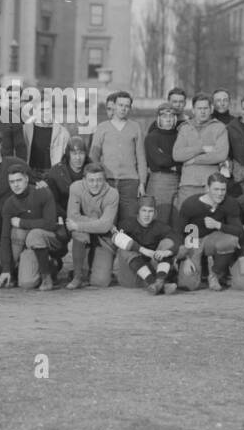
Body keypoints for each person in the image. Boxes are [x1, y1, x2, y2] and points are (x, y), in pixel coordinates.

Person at [0, 164, 65, 290]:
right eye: (12, 182)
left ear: (26, 179)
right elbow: (5, 237)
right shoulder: (9, 204)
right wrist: (6, 270)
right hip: (26, 246)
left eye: (19, 180)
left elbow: (50, 224)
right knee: (26, 283)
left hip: (48, 238)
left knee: (34, 234)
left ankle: (48, 273)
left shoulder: (42, 193)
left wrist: (22, 223)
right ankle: (15, 272)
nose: (16, 185)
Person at [176, 173, 244, 291]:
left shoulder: (230, 203)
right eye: (216, 189)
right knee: (189, 285)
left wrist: (218, 225)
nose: (220, 193)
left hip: (213, 237)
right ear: (207, 188)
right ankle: (178, 272)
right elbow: (177, 232)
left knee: (231, 240)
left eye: (223, 189)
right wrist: (185, 257)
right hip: (193, 239)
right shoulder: (190, 204)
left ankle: (215, 274)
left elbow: (238, 230)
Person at [89, 90, 147, 222]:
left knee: (129, 218)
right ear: (114, 106)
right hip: (108, 181)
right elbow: (94, 156)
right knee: (108, 218)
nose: (123, 109)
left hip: (130, 182)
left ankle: (127, 243)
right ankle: (107, 243)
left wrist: (142, 182)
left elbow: (141, 157)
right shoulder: (102, 127)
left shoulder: (135, 127)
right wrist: (98, 178)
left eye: (127, 106)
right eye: (120, 105)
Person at [65, 162, 120, 289]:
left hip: (104, 237)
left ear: (105, 180)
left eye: (99, 180)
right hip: (85, 235)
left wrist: (79, 225)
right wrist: (98, 221)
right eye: (91, 180)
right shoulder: (75, 188)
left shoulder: (112, 193)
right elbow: (72, 217)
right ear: (84, 180)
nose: (95, 184)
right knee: (78, 232)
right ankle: (77, 276)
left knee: (101, 281)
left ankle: (93, 268)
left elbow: (105, 226)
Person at [112, 194, 181, 295]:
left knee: (168, 242)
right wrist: (143, 250)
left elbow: (177, 240)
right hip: (130, 276)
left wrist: (167, 252)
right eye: (144, 210)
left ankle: (157, 283)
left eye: (150, 211)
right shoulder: (127, 224)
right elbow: (116, 238)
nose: (147, 215)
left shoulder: (159, 226)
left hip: (149, 270)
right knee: (125, 247)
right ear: (138, 211)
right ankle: (158, 285)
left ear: (155, 213)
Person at [172, 93, 230, 208]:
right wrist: (202, 149)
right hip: (188, 183)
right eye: (199, 108)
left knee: (209, 219)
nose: (202, 111)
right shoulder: (185, 128)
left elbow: (220, 155)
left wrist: (193, 160)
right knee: (185, 220)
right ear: (193, 110)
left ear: (211, 109)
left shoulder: (219, 127)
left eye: (205, 108)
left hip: (211, 184)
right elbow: (177, 155)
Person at [20, 85, 72, 172]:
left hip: (53, 176)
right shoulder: (25, 130)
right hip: (31, 174)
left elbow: (67, 159)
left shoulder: (63, 133)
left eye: (49, 109)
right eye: (42, 109)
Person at [144, 103, 181, 224]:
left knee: (176, 217)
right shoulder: (152, 137)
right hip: (159, 181)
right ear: (159, 118)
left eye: (171, 116)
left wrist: (172, 161)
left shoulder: (180, 136)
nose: (168, 119)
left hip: (179, 180)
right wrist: (176, 160)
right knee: (159, 217)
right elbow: (159, 161)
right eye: (165, 116)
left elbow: (185, 157)